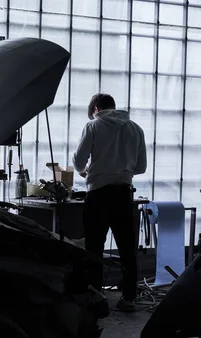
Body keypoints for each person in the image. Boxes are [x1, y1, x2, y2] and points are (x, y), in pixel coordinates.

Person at [72, 93, 147, 312]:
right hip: (124, 194)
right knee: (126, 247)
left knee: (94, 247)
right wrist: (121, 171)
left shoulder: (93, 126)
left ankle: (96, 298)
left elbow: (78, 161)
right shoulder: (135, 128)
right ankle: (129, 298)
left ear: (95, 108)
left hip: (98, 194)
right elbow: (141, 167)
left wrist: (85, 171)